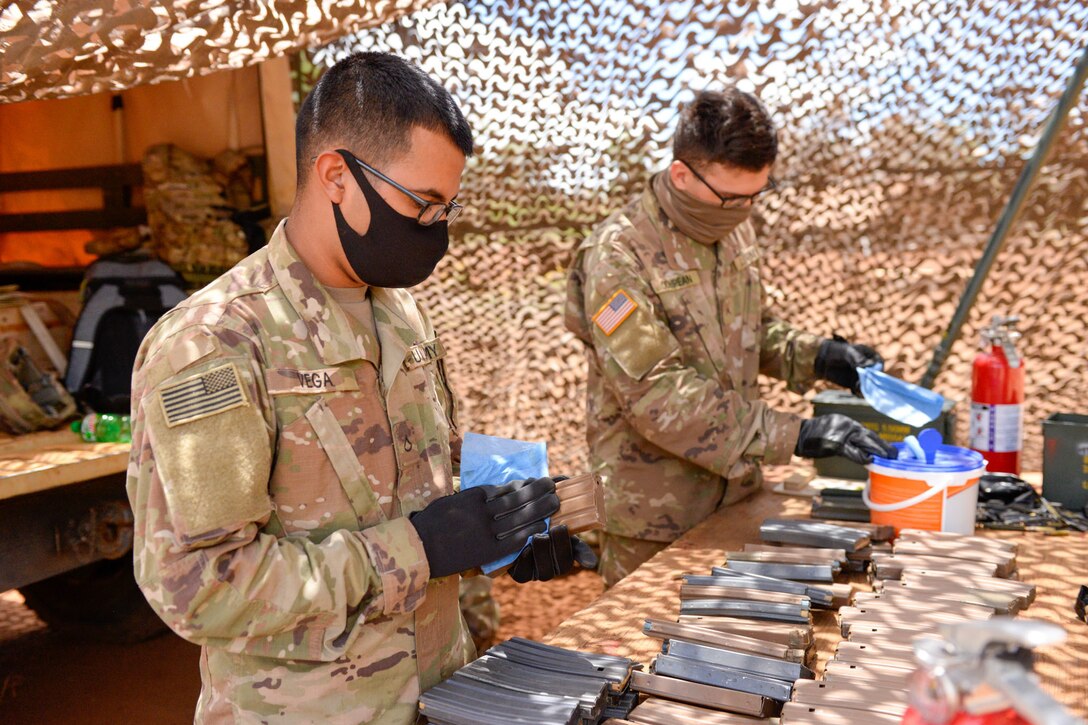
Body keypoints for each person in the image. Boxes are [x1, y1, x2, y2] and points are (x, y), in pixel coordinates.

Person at [127, 52, 590, 724]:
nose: (437, 231)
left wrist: (504, 535)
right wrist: (420, 548)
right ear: (336, 176)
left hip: (438, 694)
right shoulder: (214, 342)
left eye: (447, 208)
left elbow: (425, 471)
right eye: (422, 205)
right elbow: (198, 586)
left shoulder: (399, 312)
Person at [565, 87, 894, 587]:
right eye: (733, 197)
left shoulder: (729, 228)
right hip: (657, 516)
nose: (744, 211)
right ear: (682, 174)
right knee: (651, 652)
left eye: (756, 195)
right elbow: (656, 395)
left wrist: (816, 357)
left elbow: (749, 332)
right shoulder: (618, 255)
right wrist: (794, 434)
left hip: (736, 493)